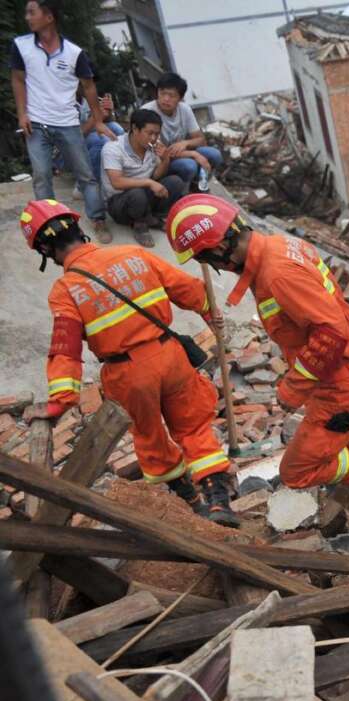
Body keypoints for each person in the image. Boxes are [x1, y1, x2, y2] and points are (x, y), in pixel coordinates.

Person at [166, 194, 349, 553]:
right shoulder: (279, 246)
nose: (212, 266)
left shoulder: (277, 273)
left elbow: (331, 332)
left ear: (219, 248)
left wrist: (292, 389)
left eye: (205, 258)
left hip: (341, 383)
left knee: (299, 471)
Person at [19, 199, 236, 525]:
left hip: (128, 374)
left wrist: (59, 402)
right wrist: (209, 314)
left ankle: (192, 505)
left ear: (45, 250)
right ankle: (219, 503)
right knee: (193, 427)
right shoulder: (133, 254)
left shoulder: (65, 290)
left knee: (151, 439)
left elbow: (66, 350)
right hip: (171, 356)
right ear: (79, 229)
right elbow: (189, 289)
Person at [12, 0, 113, 243]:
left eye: (32, 12)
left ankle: (98, 218)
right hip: (36, 123)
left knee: (85, 174)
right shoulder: (21, 46)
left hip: (68, 123)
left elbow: (89, 86)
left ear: (49, 17)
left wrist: (98, 120)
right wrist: (22, 114)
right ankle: (50, 224)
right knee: (41, 176)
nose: (27, 17)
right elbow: (17, 79)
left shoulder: (74, 53)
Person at [101, 108, 187, 246]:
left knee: (175, 182)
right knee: (137, 193)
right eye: (150, 133)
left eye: (157, 134)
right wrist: (148, 182)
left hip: (143, 196)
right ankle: (140, 225)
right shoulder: (113, 148)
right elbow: (117, 182)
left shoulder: (153, 146)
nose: (153, 138)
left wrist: (165, 160)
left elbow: (156, 176)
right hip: (118, 203)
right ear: (135, 129)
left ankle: (153, 217)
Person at [142, 72, 223, 189]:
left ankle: (199, 185)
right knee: (189, 166)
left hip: (180, 154)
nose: (166, 99)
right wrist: (194, 154)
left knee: (214, 155)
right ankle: (178, 189)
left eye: (171, 95)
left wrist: (185, 143)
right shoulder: (147, 112)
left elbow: (200, 139)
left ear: (180, 98)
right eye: (162, 93)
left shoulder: (185, 109)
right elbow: (161, 152)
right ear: (157, 92)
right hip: (159, 163)